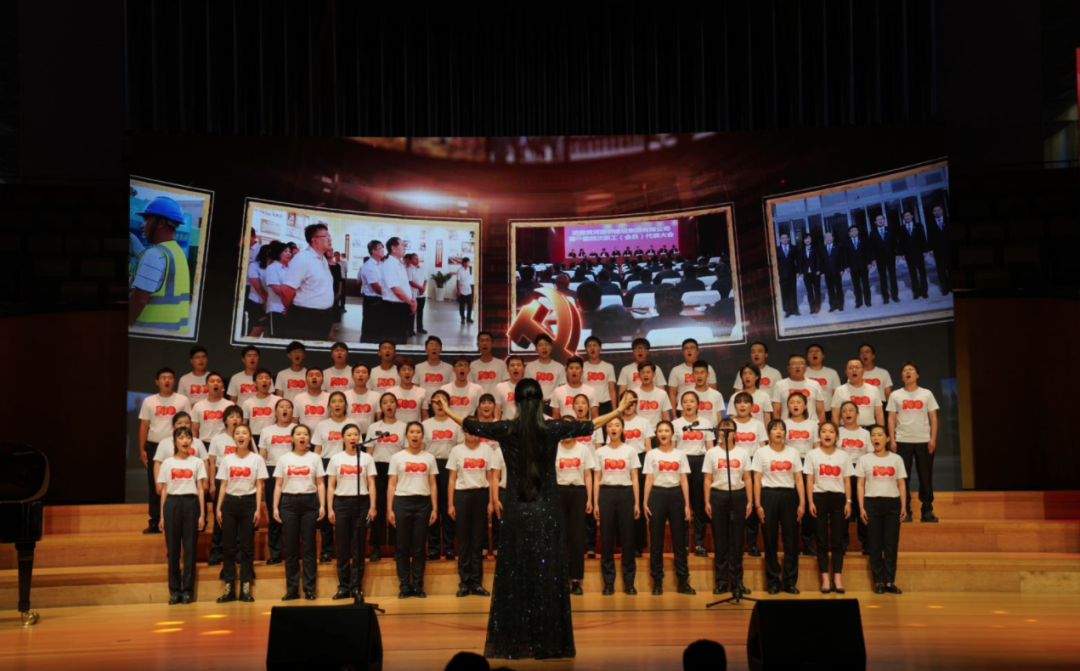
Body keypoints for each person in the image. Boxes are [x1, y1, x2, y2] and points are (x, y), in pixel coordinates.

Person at [432, 380, 635, 659]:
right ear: (541, 402)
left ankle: (516, 639)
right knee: (547, 573)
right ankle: (547, 639)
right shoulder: (551, 429)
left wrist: (446, 410)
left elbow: (470, 425)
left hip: (516, 511)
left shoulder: (506, 429)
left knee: (515, 573)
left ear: (515, 402)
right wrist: (618, 410)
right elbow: (589, 425)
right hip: (547, 511)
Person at [214, 423, 267, 603]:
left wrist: (258, 509)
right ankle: (229, 587)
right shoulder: (227, 460)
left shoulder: (256, 459)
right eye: (238, 433)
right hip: (229, 503)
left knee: (246, 547)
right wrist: (218, 508)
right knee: (228, 547)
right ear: (234, 437)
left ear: (250, 437)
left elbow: (259, 486)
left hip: (249, 503)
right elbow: (223, 485)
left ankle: (245, 587)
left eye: (244, 433)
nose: (241, 435)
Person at [273, 424, 326, 600]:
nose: (302, 436)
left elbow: (320, 483)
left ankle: (309, 589)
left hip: (310, 502)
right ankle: (292, 589)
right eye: (298, 434)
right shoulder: (284, 458)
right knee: (291, 548)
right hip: (288, 503)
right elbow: (278, 484)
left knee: (309, 547)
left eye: (305, 434)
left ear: (309, 438)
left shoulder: (315, 458)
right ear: (292, 438)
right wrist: (275, 507)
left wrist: (322, 505)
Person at [752, 419, 805, 594]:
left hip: (789, 496)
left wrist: (802, 502)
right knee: (770, 539)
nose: (778, 431)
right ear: (769, 433)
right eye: (774, 429)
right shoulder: (761, 453)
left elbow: (799, 479)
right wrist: (758, 504)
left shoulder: (793, 452)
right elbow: (757, 480)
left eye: (782, 429)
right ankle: (773, 582)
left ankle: (790, 582)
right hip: (768, 495)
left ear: (785, 433)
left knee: (791, 539)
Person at [643, 420, 696, 595]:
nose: (663, 433)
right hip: (657, 495)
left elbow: (683, 480)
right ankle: (657, 581)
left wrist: (687, 504)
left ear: (672, 433)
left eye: (666, 430)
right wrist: (645, 502)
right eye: (660, 431)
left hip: (676, 496)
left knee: (680, 542)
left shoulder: (680, 454)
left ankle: (683, 581)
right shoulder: (651, 455)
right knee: (656, 542)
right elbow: (649, 479)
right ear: (656, 434)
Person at [387, 422, 439, 598]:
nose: (415, 435)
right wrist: (389, 509)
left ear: (422, 435)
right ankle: (404, 585)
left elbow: (433, 484)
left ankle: (417, 585)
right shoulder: (397, 457)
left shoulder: (429, 457)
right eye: (412, 432)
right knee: (402, 547)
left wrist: (435, 507)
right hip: (402, 502)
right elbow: (391, 484)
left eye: (418, 432)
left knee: (419, 546)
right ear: (406, 435)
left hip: (423, 503)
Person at [157, 425, 207, 604]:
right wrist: (162, 516)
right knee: (173, 551)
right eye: (181, 438)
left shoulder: (197, 462)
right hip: (172, 504)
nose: (185, 441)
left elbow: (200, 489)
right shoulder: (167, 463)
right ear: (175, 442)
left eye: (188, 437)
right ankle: (174, 591)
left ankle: (187, 591)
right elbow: (164, 491)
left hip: (191, 504)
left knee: (190, 549)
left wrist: (202, 515)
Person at [327, 423, 376, 601]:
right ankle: (343, 587)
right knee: (342, 548)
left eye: (356, 434)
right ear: (342, 438)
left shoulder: (366, 458)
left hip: (361, 503)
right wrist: (330, 508)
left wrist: (372, 506)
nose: (353, 437)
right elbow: (330, 485)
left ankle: (356, 587)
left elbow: (371, 484)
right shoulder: (336, 458)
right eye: (349, 435)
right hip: (341, 503)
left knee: (358, 548)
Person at [593, 414, 642, 596]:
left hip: (626, 494)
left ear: (622, 429)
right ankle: (608, 583)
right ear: (606, 429)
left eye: (617, 425)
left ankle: (629, 583)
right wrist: (596, 503)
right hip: (606, 494)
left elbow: (635, 478)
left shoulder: (630, 451)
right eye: (610, 425)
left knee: (628, 540)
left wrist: (637, 502)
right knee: (606, 540)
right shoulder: (600, 452)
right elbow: (596, 479)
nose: (613, 428)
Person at [139, 368, 191, 535]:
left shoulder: (182, 400)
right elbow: (144, 426)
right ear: (157, 382)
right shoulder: (149, 401)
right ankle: (155, 521)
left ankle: (179, 520)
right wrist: (142, 449)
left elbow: (188, 424)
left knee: (180, 481)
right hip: (154, 446)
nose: (167, 380)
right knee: (156, 484)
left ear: (174, 381)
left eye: (170, 378)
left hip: (177, 445)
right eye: (163, 378)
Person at [703, 418, 753, 595]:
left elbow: (747, 478)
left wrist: (750, 501)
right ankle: (722, 582)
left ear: (735, 433)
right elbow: (707, 479)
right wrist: (707, 501)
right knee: (721, 541)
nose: (726, 432)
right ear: (718, 433)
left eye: (729, 429)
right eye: (723, 429)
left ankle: (737, 582)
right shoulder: (712, 453)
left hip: (738, 496)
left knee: (737, 542)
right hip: (718, 495)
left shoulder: (743, 453)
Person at [886, 361, 940, 523]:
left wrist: (933, 438)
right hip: (902, 439)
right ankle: (905, 510)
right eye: (905, 370)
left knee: (925, 476)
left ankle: (927, 510)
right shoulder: (896, 395)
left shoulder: (926, 394)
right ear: (902, 376)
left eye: (911, 370)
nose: (908, 372)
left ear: (917, 375)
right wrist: (892, 439)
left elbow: (933, 417)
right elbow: (891, 418)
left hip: (923, 440)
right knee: (903, 477)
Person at [858, 425, 908, 594]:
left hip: (892, 504)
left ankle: (889, 581)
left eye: (880, 435)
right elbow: (860, 485)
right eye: (873, 435)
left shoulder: (896, 459)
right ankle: (878, 582)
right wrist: (861, 507)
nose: (876, 438)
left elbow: (901, 484)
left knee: (891, 544)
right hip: (871, 503)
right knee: (874, 544)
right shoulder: (864, 459)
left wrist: (903, 506)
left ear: (887, 438)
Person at [129, 196, 191, 332]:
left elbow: (139, 301)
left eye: (146, 220)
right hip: (176, 333)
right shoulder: (178, 253)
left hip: (148, 334)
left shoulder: (153, 255)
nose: (142, 225)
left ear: (161, 222)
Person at [804, 420, 852, 594]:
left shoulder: (844, 456)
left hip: (839, 498)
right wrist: (810, 502)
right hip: (819, 498)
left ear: (836, 436)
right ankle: (825, 578)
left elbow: (847, 480)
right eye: (824, 431)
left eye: (831, 431)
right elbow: (809, 480)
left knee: (838, 541)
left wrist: (848, 502)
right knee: (822, 541)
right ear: (819, 435)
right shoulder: (812, 455)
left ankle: (837, 578)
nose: (827, 434)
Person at [447, 428, 495, 597]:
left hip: (481, 495)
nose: (471, 433)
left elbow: (490, 477)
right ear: (463, 432)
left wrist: (490, 501)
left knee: (477, 541)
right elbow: (452, 478)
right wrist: (450, 504)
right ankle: (464, 583)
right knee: (464, 541)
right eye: (468, 430)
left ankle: (476, 583)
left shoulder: (487, 450)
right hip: (462, 495)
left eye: (474, 430)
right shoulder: (456, 450)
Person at [555, 407, 596, 594]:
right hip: (558, 493)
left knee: (578, 538)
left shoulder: (584, 449)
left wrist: (589, 499)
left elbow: (588, 475)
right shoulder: (554, 448)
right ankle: (561, 579)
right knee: (560, 538)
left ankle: (576, 580)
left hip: (579, 493)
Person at [367, 392, 408, 561]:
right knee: (377, 506)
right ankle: (376, 547)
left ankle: (398, 546)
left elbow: (407, 451)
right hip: (378, 468)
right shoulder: (374, 427)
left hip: (397, 470)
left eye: (392, 401)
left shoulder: (403, 427)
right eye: (385, 402)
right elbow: (369, 453)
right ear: (381, 407)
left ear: (397, 405)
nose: (388, 405)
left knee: (396, 508)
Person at [424, 390, 465, 560]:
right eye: (436, 401)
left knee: (449, 507)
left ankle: (448, 547)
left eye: (443, 401)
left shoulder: (455, 424)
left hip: (450, 467)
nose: (439, 404)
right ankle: (433, 548)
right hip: (430, 467)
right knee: (432, 507)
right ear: (431, 405)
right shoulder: (425, 424)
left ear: (448, 404)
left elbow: (460, 448)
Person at [672, 391, 713, 557]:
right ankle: (681, 545)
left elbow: (710, 449)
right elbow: (672, 448)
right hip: (682, 463)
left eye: (692, 401)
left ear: (698, 404)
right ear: (681, 405)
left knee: (699, 504)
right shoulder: (676, 424)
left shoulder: (706, 423)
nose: (688, 404)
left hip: (701, 462)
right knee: (682, 504)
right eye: (685, 401)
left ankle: (699, 544)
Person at [280, 223, 336, 341]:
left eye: (330, 235)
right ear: (314, 240)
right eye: (326, 236)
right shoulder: (302, 259)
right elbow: (286, 290)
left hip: (324, 316)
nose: (330, 239)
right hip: (306, 317)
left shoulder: (323, 259)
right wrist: (290, 310)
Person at [729, 391, 768, 557]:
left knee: (751, 505)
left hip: (753, 465)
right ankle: (733, 545)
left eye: (746, 402)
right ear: (734, 406)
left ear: (752, 406)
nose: (742, 405)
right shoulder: (730, 424)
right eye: (739, 402)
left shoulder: (758, 425)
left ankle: (752, 544)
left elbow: (763, 447)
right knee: (736, 506)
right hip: (734, 464)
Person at [313, 391, 351, 562]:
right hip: (326, 464)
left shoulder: (352, 424)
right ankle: (327, 550)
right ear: (329, 406)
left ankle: (348, 549)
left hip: (347, 465)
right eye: (333, 401)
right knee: (326, 507)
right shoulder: (322, 425)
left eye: (340, 401)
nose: (337, 404)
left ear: (345, 405)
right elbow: (317, 450)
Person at [258, 398, 295, 565]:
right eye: (281, 407)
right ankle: (275, 553)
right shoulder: (266, 431)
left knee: (291, 515)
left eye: (288, 407)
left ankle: (291, 552)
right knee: (275, 514)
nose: (285, 409)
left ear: (292, 411)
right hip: (272, 470)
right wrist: (261, 479)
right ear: (275, 411)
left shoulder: (298, 429)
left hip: (293, 470)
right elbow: (262, 456)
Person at [783, 392, 820, 556]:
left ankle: (808, 543)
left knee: (808, 504)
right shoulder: (784, 424)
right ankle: (792, 545)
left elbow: (817, 447)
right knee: (792, 506)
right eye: (792, 402)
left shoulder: (812, 424)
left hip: (807, 465)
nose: (795, 405)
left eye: (799, 402)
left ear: (805, 406)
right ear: (788, 406)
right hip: (788, 466)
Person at [207, 405, 244, 566]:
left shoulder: (245, 437)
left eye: (238, 416)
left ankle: (238, 552)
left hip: (241, 481)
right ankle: (217, 551)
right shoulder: (217, 439)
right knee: (220, 517)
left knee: (239, 518)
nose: (235, 419)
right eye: (231, 416)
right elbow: (212, 463)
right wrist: (212, 484)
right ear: (225, 421)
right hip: (221, 481)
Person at [837, 401, 872, 553]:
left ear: (857, 413)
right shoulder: (837, 432)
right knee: (843, 510)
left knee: (862, 508)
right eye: (844, 410)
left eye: (851, 410)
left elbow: (869, 455)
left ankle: (866, 544)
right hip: (841, 474)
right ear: (841, 415)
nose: (848, 413)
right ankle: (842, 544)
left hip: (860, 474)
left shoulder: (865, 433)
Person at [381, 237, 417, 344]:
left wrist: (413, 299)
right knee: (394, 339)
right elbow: (396, 290)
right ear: (393, 248)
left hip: (403, 305)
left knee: (402, 337)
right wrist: (411, 303)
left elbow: (405, 285)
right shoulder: (389, 265)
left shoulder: (399, 264)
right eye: (402, 245)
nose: (404, 247)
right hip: (393, 308)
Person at [771, 353, 826, 423]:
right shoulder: (779, 385)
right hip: (787, 425)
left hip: (811, 425)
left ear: (805, 368)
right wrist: (779, 427)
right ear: (788, 368)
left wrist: (822, 427)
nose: (797, 366)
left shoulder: (815, 384)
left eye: (801, 363)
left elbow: (820, 411)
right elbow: (776, 411)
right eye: (794, 364)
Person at [830, 359, 885, 428]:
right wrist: (836, 432)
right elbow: (835, 416)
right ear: (846, 371)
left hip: (869, 429)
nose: (854, 370)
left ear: (863, 370)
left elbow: (879, 415)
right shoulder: (839, 390)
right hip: (846, 429)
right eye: (851, 368)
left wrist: (881, 431)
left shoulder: (874, 390)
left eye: (857, 367)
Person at [668, 339, 718, 409]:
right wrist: (674, 414)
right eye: (686, 348)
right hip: (682, 408)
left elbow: (713, 391)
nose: (689, 350)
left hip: (704, 407)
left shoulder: (708, 368)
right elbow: (672, 394)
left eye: (692, 348)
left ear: (697, 352)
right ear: (682, 352)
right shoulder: (675, 370)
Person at [242, 368, 280, 447]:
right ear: (255, 383)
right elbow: (244, 424)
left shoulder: (278, 401)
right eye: (260, 378)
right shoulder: (247, 403)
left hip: (273, 436)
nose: (264, 380)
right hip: (254, 437)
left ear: (270, 382)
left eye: (267, 378)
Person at [192, 372, 235, 442]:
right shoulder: (198, 406)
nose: (215, 383)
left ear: (222, 386)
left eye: (219, 381)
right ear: (206, 385)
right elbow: (194, 430)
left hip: (224, 443)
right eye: (212, 381)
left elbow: (234, 427)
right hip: (204, 443)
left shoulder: (230, 405)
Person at [524, 334, 567, 403]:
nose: (544, 347)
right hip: (535, 403)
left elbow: (562, 389)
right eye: (540, 345)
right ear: (536, 349)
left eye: (546, 344)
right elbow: (527, 389)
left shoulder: (559, 367)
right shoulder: (529, 367)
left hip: (554, 404)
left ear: (551, 348)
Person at [582, 336, 617, 418]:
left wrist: (615, 411)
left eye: (595, 345)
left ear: (600, 348)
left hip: (605, 405)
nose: (592, 348)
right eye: (589, 346)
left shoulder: (608, 367)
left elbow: (612, 391)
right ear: (586, 350)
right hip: (587, 405)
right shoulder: (581, 367)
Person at [898, 211, 929, 299]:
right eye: (905, 216)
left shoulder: (919, 226)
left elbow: (923, 238)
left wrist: (924, 250)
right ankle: (916, 292)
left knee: (922, 273)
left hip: (919, 252)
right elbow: (901, 242)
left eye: (908, 215)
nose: (907, 217)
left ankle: (924, 291)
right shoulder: (901, 228)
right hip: (909, 254)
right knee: (913, 274)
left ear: (912, 216)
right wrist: (902, 253)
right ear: (903, 218)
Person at [870, 214, 901, 305]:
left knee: (893, 277)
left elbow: (895, 243)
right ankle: (885, 297)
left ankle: (895, 296)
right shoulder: (872, 233)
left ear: (884, 220)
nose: (880, 221)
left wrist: (897, 254)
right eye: (878, 220)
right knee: (883, 278)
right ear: (875, 222)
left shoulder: (890, 229)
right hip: (880, 259)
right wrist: (873, 258)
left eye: (882, 219)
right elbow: (871, 247)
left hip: (890, 257)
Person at [264, 242, 292, 338]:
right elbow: (277, 289)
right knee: (276, 338)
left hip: (289, 310)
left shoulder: (290, 269)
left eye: (290, 251)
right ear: (278, 253)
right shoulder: (272, 268)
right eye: (285, 251)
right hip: (276, 309)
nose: (289, 253)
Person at [632, 361, 672, 428]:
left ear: (654, 374)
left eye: (648, 372)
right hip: (639, 430)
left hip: (657, 431)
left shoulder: (662, 394)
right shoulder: (633, 394)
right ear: (639, 375)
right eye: (642, 372)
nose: (645, 375)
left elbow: (666, 417)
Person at [389, 358, 428, 424]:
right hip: (396, 429)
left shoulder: (422, 392)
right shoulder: (390, 392)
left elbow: (425, 416)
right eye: (404, 369)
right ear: (398, 373)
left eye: (410, 369)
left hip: (415, 429)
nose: (407, 372)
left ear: (414, 373)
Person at [360, 240, 385, 343]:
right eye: (380, 248)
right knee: (370, 329)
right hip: (372, 301)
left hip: (381, 300)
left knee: (379, 329)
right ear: (373, 251)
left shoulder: (380, 265)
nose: (383, 250)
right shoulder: (369, 266)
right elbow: (377, 288)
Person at [345, 363, 380, 435]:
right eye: (357, 372)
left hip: (369, 435)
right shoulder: (345, 395)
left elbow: (380, 421)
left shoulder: (376, 396)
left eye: (364, 372)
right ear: (352, 376)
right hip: (350, 435)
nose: (360, 375)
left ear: (369, 376)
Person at [686, 360, 724, 426]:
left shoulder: (717, 395)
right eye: (696, 373)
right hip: (693, 430)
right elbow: (684, 417)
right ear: (692, 375)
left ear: (707, 374)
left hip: (712, 430)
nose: (699, 376)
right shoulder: (687, 395)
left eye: (702, 373)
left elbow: (719, 418)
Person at [417, 336, 455, 400]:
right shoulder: (418, 367)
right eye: (431, 345)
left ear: (441, 349)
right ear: (426, 349)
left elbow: (452, 388)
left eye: (437, 345)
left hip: (443, 402)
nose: (434, 348)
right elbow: (415, 388)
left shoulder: (449, 368)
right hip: (424, 402)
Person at [844, 224, 873, 309]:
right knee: (856, 285)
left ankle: (868, 301)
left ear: (858, 231)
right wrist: (847, 266)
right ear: (849, 233)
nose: (854, 232)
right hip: (853, 267)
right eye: (852, 231)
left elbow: (868, 251)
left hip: (864, 265)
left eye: (855, 230)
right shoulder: (846, 242)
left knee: (865, 284)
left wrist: (869, 262)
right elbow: (845, 255)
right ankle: (858, 302)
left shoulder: (863, 239)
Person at [293, 368, 330, 433]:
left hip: (325, 435)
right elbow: (294, 422)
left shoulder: (330, 397)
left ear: (322, 380)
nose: (314, 377)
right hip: (304, 436)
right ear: (305, 380)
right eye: (310, 375)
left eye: (318, 375)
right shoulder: (298, 398)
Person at [245, 246, 271, 337]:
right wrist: (267, 300)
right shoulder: (254, 265)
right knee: (256, 329)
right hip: (256, 302)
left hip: (269, 303)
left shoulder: (272, 266)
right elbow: (257, 286)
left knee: (268, 329)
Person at [817, 232, 845, 312]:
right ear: (824, 239)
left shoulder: (838, 246)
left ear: (833, 238)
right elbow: (820, 261)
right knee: (830, 290)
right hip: (827, 273)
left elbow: (841, 258)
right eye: (826, 237)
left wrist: (841, 269)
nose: (828, 238)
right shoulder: (821, 248)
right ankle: (833, 305)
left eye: (829, 236)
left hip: (837, 271)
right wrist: (822, 272)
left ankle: (840, 305)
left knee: (838, 289)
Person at [927, 204, 951, 295]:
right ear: (932, 213)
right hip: (938, 250)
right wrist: (930, 249)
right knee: (941, 270)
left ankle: (951, 286)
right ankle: (944, 288)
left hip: (949, 249)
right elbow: (929, 237)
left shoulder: (948, 220)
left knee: (950, 268)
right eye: (935, 211)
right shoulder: (930, 223)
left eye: (938, 210)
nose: (937, 212)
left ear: (942, 210)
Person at [494, 355, 525, 420]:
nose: (515, 368)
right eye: (512, 365)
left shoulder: (530, 386)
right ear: (507, 369)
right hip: (506, 423)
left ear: (523, 368)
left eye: (518, 365)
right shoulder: (500, 387)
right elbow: (497, 413)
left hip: (525, 424)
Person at [776, 232, 800, 317]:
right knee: (784, 292)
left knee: (793, 291)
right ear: (780, 240)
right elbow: (775, 263)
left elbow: (798, 260)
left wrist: (798, 271)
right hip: (782, 275)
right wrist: (776, 274)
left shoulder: (793, 248)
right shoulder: (777, 249)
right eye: (782, 238)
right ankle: (787, 310)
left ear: (788, 238)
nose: (784, 239)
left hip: (792, 274)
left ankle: (794, 309)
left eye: (786, 238)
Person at [406, 253, 428, 336]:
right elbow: (410, 282)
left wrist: (423, 288)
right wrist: (420, 287)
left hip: (422, 294)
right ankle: (410, 329)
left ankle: (420, 328)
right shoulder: (409, 269)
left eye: (417, 258)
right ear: (411, 260)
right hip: (413, 295)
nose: (417, 260)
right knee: (412, 312)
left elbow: (426, 279)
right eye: (415, 258)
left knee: (420, 311)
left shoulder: (422, 268)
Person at [456, 257, 475, 324]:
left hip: (468, 290)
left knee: (470, 305)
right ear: (464, 263)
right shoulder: (459, 270)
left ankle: (468, 318)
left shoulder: (469, 269)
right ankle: (463, 318)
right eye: (468, 262)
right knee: (462, 305)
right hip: (462, 290)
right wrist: (458, 290)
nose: (469, 264)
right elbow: (458, 281)